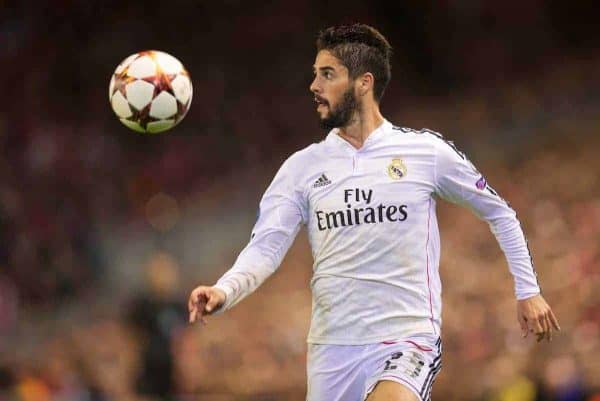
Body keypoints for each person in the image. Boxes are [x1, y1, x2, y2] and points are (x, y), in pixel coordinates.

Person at [188, 24, 560, 401]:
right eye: (314, 74)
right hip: (332, 347)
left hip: (407, 337)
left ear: (363, 83)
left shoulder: (424, 153)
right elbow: (266, 248)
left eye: (327, 75)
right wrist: (225, 289)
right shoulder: (301, 168)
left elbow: (500, 213)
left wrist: (528, 290)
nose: (313, 86)